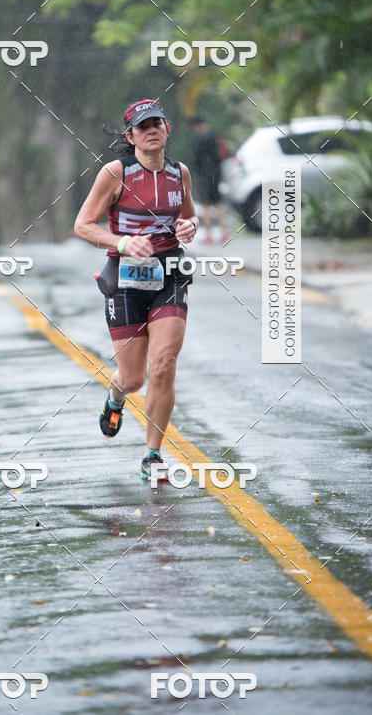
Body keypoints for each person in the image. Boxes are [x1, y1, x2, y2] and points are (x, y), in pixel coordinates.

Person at [74, 99, 199, 480]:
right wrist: (124, 243)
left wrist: (191, 227)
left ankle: (152, 456)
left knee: (164, 364)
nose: (151, 131)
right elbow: (83, 225)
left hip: (170, 274)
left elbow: (189, 216)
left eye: (157, 124)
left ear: (167, 129)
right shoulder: (116, 174)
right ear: (130, 137)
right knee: (133, 379)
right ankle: (116, 398)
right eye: (142, 127)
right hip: (126, 279)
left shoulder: (179, 173)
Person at [191, 115, 230, 243]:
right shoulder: (215, 135)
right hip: (216, 175)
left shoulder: (201, 138)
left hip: (204, 176)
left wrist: (197, 172)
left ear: (197, 126)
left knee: (205, 205)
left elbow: (198, 159)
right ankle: (224, 234)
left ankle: (209, 236)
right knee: (218, 203)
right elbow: (222, 156)